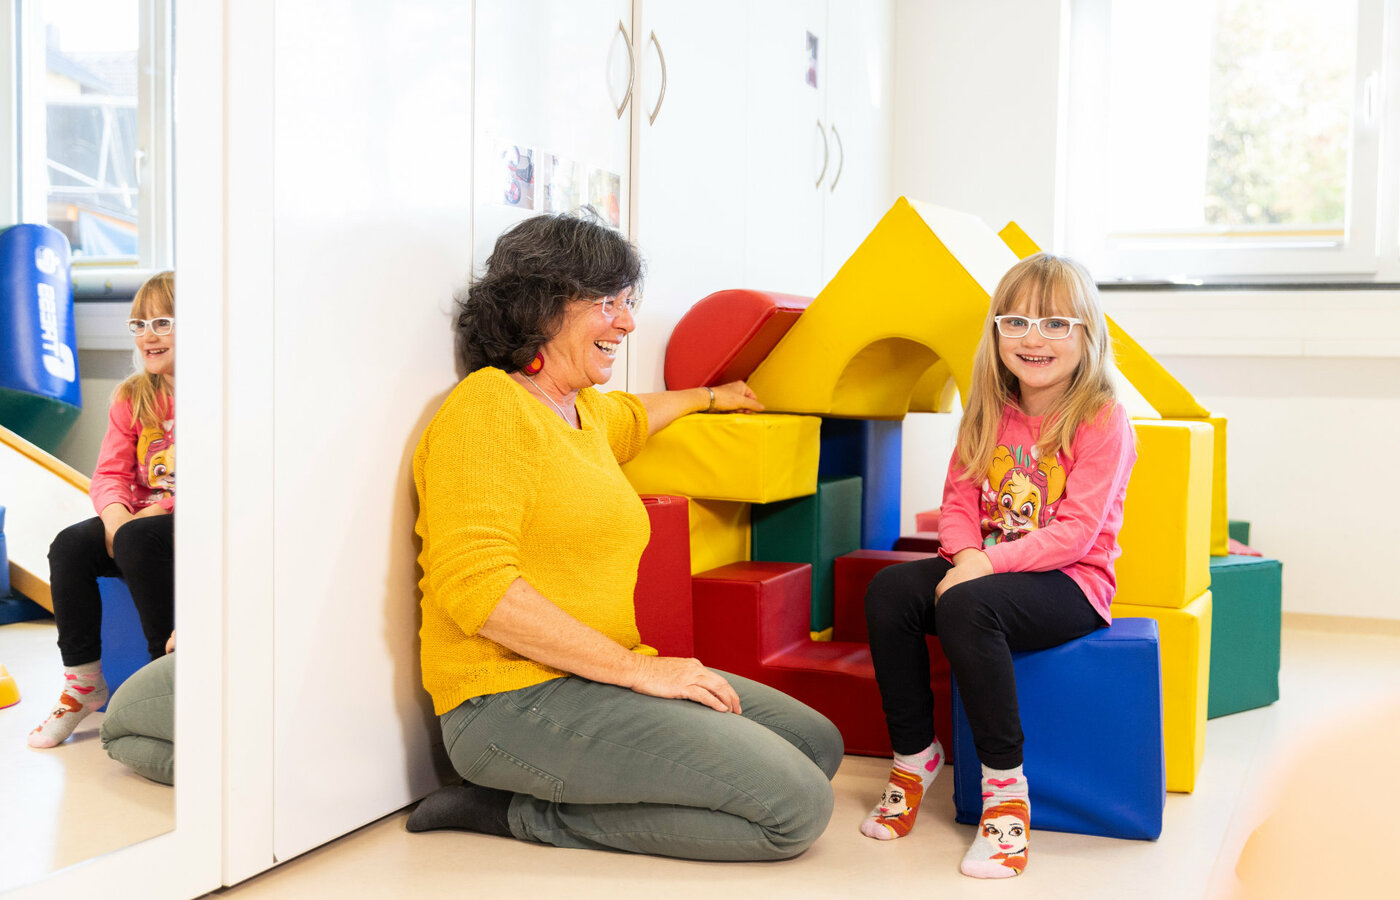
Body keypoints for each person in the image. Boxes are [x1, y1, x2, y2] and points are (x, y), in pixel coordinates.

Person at [408, 214, 844, 861]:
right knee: (795, 810)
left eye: (627, 303)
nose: (628, 323)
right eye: (607, 303)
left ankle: (589, 786)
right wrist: (639, 672)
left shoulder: (581, 411)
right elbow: (477, 586)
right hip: (506, 702)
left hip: (592, 680)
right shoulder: (489, 407)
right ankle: (522, 815)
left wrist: (710, 396)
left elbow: (638, 415)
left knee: (818, 746)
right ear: (542, 305)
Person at [859, 253, 1137, 878]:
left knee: (964, 602)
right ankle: (915, 756)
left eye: (1055, 324)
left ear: (1087, 333)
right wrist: (964, 556)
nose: (1033, 338)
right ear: (996, 334)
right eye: (1015, 322)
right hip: (985, 568)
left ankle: (1005, 793)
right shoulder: (986, 410)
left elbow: (1075, 533)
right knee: (889, 591)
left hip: (1070, 582)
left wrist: (982, 564)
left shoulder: (1101, 418)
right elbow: (957, 503)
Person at [28, 271, 176, 749]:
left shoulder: (221, 396)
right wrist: (115, 517)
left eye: (162, 322)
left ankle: (164, 676)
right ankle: (83, 682)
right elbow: (110, 473)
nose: (147, 335)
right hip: (137, 521)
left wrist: (152, 515)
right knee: (70, 544)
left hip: (195, 519)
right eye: (138, 324)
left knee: (136, 537)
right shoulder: (134, 397)